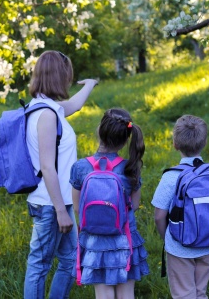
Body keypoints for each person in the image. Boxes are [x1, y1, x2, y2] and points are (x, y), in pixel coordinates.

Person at [24, 50, 98, 299]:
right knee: (39, 265)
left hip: (59, 200)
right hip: (50, 204)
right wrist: (60, 211)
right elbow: (47, 166)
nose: (69, 80)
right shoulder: (45, 115)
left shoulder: (49, 108)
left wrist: (90, 85)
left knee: (69, 261)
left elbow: (74, 105)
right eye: (67, 75)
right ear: (58, 76)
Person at [69, 108, 150, 299]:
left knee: (103, 294)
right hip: (125, 238)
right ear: (126, 139)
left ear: (100, 130)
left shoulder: (80, 167)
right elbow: (135, 205)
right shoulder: (131, 167)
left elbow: (76, 207)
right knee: (126, 294)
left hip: (94, 240)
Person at [151, 115, 209, 299]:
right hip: (207, 244)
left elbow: (158, 216)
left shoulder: (171, 177)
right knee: (200, 293)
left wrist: (167, 238)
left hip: (179, 247)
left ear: (175, 144)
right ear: (205, 143)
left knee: (183, 294)